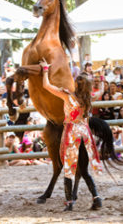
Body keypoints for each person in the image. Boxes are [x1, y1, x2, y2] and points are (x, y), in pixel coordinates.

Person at [40, 59, 102, 211]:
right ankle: (96, 198)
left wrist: (46, 69)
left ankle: (69, 203)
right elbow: (100, 91)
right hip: (85, 134)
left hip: (72, 134)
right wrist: (101, 79)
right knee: (84, 170)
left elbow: (46, 85)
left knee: (69, 169)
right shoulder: (89, 98)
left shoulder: (68, 96)